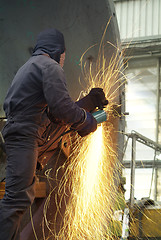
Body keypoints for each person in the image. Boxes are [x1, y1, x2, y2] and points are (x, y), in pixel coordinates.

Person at [0, 28, 108, 240]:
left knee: (19, 198)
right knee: (16, 200)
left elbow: (54, 117)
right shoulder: (49, 66)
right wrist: (86, 121)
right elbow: (61, 108)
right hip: (25, 137)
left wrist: (88, 102)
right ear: (57, 50)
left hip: (22, 133)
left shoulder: (28, 67)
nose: (63, 60)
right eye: (64, 55)